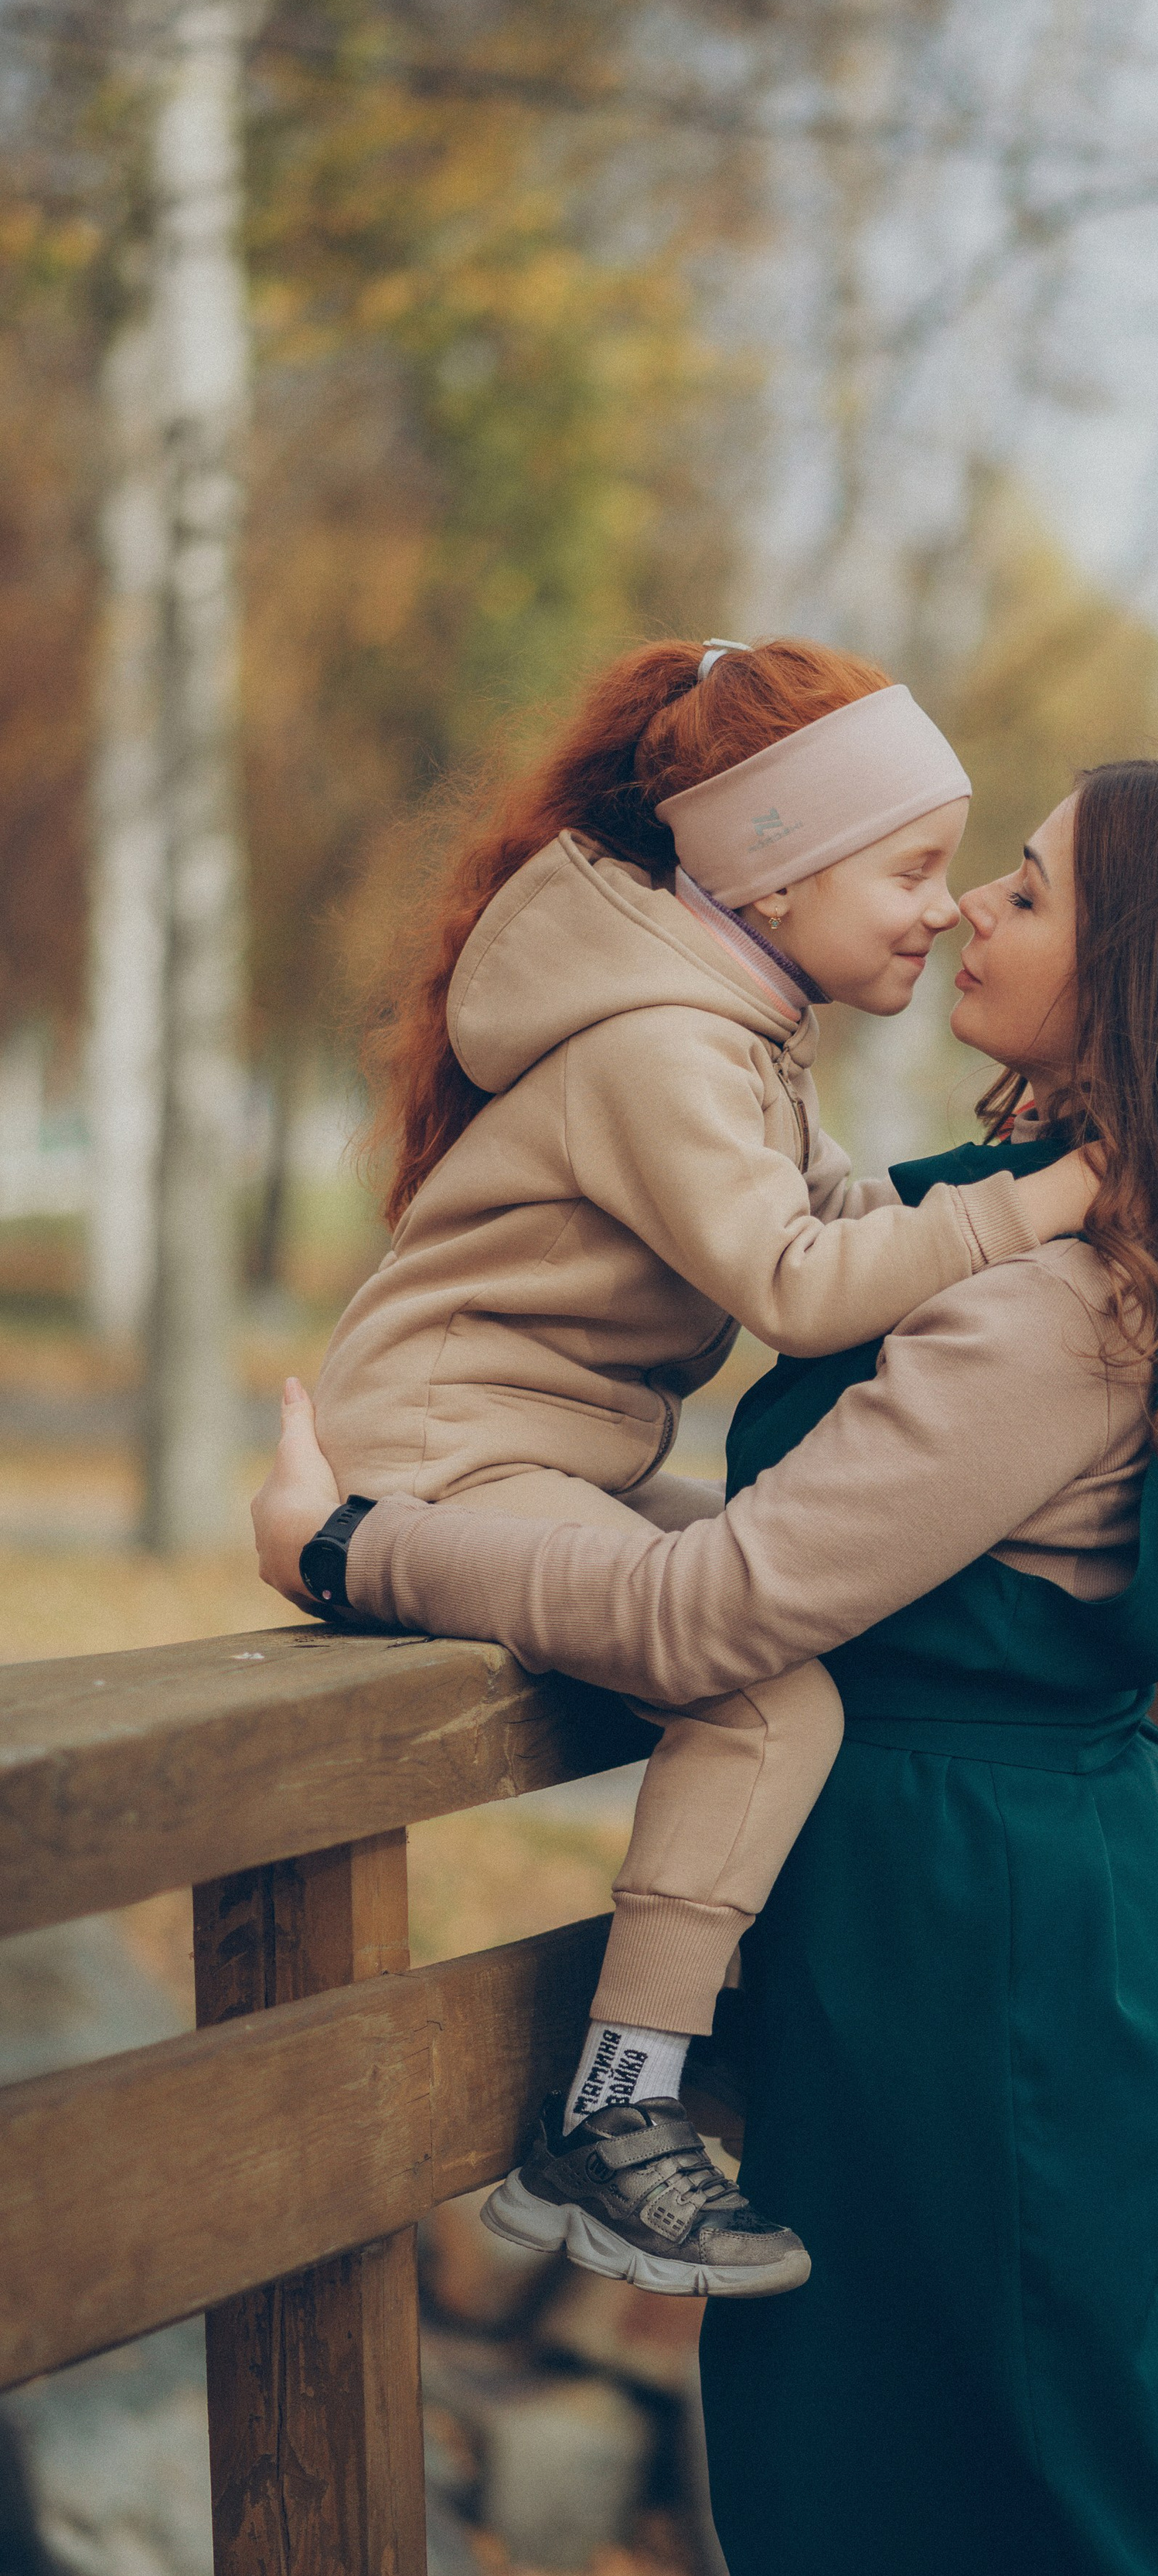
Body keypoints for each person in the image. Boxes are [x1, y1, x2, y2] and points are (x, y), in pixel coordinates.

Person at [257, 756, 1158, 2576]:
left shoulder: (1063, 1294)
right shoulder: (1050, 1215)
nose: (971, 913)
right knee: (1083, 2544)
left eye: (1028, 891)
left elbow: (735, 1607)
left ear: (1130, 976)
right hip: (1047, 1927)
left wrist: (370, 1549)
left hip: (998, 1978)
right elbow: (820, 1558)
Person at [293, 634, 1098, 2298]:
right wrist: (1036, 1208)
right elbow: (796, 1286)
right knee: (763, 1688)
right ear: (772, 867)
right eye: (910, 869)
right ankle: (617, 2106)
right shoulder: (663, 1046)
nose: (942, 910)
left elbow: (844, 1222)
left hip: (541, 1451)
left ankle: (689, 2003)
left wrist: (1006, 1233)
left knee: (773, 1615)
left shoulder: (731, 1026)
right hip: (450, 1449)